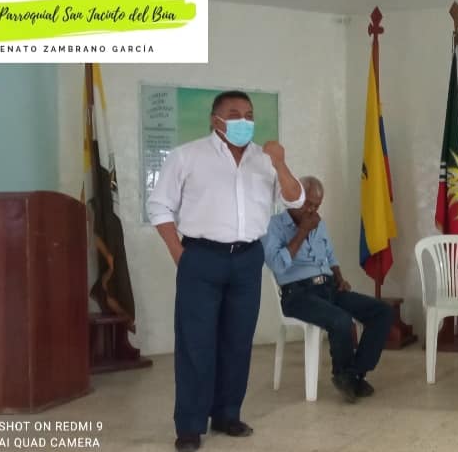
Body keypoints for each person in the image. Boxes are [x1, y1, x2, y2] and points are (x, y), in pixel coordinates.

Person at [148, 91, 305, 452]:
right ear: (215, 119)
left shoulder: (264, 160)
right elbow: (159, 207)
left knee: (237, 340)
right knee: (196, 343)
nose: (243, 121)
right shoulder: (187, 156)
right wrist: (179, 253)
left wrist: (280, 163)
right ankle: (190, 426)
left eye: (249, 115)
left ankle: (227, 414)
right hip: (200, 257)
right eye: (234, 114)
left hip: (247, 258)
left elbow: (295, 199)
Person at [262, 176, 392, 403]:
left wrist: (339, 278)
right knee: (341, 320)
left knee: (382, 312)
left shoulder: (318, 223)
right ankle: (344, 375)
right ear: (295, 198)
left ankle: (354, 374)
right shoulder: (274, 226)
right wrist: (302, 231)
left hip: (329, 288)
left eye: (316, 205)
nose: (312, 210)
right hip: (298, 294)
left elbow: (330, 256)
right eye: (308, 204)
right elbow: (277, 264)